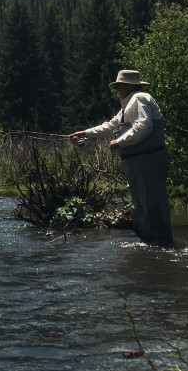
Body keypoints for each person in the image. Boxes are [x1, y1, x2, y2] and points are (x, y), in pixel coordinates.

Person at [68, 70, 173, 246]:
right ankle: (151, 246)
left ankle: (161, 246)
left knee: (152, 205)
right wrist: (85, 133)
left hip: (147, 160)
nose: (117, 91)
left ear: (126, 86)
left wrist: (119, 142)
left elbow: (144, 126)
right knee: (142, 206)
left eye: (118, 87)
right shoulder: (129, 104)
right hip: (137, 161)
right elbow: (110, 126)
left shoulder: (139, 99)